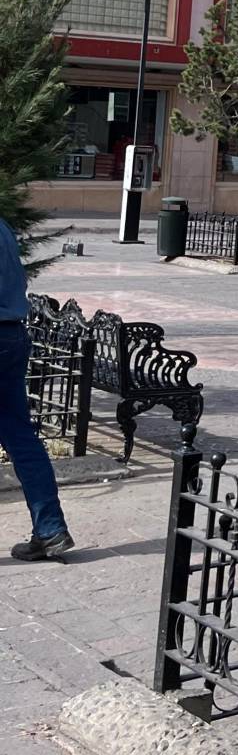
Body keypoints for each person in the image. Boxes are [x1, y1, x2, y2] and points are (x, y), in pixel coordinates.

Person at [0, 215, 74, 562]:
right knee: (22, 439)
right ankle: (50, 531)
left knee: (20, 438)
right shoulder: (2, 226)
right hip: (12, 335)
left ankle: (50, 531)